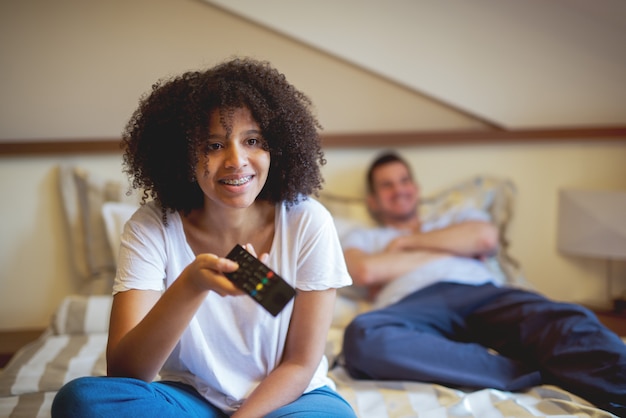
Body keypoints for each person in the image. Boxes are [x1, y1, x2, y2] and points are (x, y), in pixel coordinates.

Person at [51, 58, 356, 418]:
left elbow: (300, 363)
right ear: (182, 155)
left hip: (292, 400)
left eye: (253, 140)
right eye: (213, 145)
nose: (236, 160)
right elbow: (126, 374)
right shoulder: (152, 227)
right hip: (191, 399)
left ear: (276, 146)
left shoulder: (307, 221)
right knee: (81, 400)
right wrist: (191, 285)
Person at [340, 151, 626, 416]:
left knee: (565, 320)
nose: (399, 189)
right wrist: (452, 246)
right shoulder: (363, 237)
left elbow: (485, 238)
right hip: (412, 306)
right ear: (373, 201)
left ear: (416, 187)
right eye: (387, 185)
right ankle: (525, 370)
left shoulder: (455, 217)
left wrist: (404, 245)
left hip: (483, 293)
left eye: (404, 180)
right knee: (363, 337)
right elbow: (364, 271)